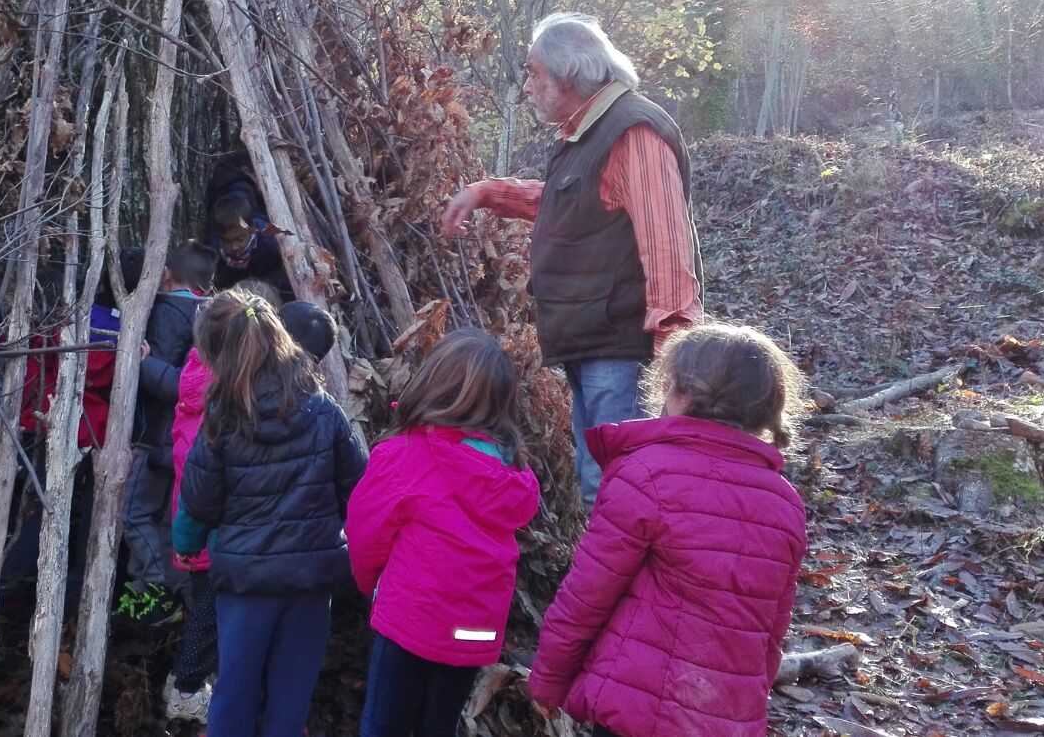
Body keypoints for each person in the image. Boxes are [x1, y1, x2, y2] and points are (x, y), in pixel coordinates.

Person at [440, 12, 703, 510]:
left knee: (623, 490)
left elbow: (667, 248)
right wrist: (488, 192)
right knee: (601, 486)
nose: (527, 87)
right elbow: (570, 201)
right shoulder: (589, 131)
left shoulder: (633, 131)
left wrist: (676, 362)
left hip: (622, 349)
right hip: (592, 340)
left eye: (534, 73)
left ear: (569, 75)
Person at [527, 322, 808, 737]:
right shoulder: (785, 501)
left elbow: (586, 597)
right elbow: (772, 628)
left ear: (679, 391)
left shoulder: (645, 475)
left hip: (633, 711)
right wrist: (749, 701)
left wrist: (549, 680)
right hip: (723, 717)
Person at [172, 289, 368, 737]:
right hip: (310, 580)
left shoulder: (222, 418)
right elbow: (357, 488)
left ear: (218, 355)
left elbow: (199, 499)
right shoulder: (323, 409)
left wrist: (186, 545)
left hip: (246, 583)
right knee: (292, 693)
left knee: (235, 691)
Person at [345, 329, 541, 737]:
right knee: (438, 725)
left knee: (383, 724)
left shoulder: (404, 454)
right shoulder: (511, 470)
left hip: (411, 620)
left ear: (432, 383)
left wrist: (371, 586)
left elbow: (365, 533)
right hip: (474, 632)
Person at [119, 240, 218, 624]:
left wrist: (143, 364)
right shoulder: (210, 318)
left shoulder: (166, 312)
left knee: (132, 513)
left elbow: (177, 383)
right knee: (163, 518)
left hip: (154, 435)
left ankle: (155, 587)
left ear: (165, 275)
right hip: (181, 439)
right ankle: (177, 590)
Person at [206, 150, 291, 298]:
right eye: (227, 242)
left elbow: (280, 273)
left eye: (239, 239)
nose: (234, 247)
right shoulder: (215, 248)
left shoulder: (268, 243)